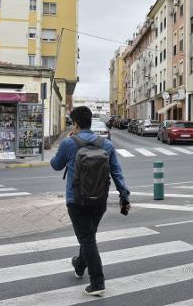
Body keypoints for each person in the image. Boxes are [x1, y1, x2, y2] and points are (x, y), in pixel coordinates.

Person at [51, 106, 131, 297]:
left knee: (87, 239)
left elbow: (55, 165)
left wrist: (65, 143)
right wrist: (124, 196)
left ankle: (97, 282)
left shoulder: (69, 143)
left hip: (76, 201)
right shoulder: (106, 145)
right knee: (88, 236)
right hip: (100, 200)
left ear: (76, 123)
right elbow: (116, 172)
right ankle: (79, 264)